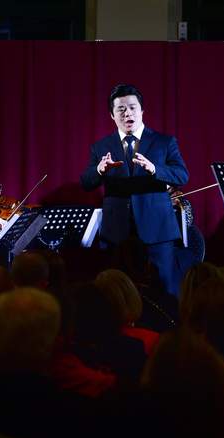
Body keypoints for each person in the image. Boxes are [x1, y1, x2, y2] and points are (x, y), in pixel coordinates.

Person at [81, 84, 189, 297]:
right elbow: (86, 182)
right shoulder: (101, 146)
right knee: (117, 294)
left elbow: (182, 175)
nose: (127, 113)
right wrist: (99, 170)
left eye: (132, 107)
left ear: (142, 111)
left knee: (165, 290)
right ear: (112, 115)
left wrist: (155, 169)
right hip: (117, 231)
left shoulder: (164, 142)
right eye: (121, 109)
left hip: (157, 229)